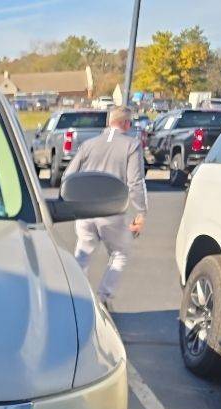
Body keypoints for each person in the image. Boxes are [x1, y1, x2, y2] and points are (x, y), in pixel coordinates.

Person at [64, 106, 148, 310]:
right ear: (127, 124)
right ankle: (103, 297)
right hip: (113, 209)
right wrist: (141, 212)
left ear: (109, 122)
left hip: (85, 208)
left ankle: (76, 295)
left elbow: (69, 175)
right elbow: (135, 182)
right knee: (120, 253)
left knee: (83, 252)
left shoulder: (88, 144)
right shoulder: (132, 145)